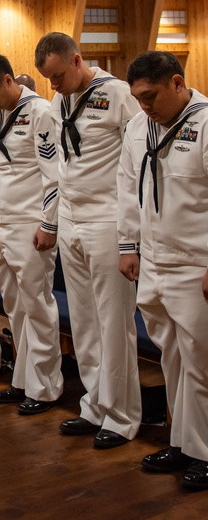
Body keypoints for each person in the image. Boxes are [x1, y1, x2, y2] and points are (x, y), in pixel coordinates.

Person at [35, 32, 141, 450]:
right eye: (48, 79)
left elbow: (138, 162)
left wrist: (132, 234)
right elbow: (62, 164)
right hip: (72, 217)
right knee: (83, 320)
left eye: (59, 75)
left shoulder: (117, 94)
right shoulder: (61, 100)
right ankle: (95, 404)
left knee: (113, 322)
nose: (54, 85)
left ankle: (122, 415)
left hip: (108, 220)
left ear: (78, 60)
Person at [118, 50, 208, 492]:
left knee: (203, 363)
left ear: (177, 83)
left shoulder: (207, 122)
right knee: (172, 360)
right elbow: (127, 187)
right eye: (137, 98)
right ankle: (183, 440)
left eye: (150, 95)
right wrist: (129, 245)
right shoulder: (139, 126)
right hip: (154, 259)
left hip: (196, 264)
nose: (144, 105)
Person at [0, 49, 62, 416]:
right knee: (14, 307)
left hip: (31, 224)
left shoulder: (42, 113)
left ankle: (46, 386)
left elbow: (53, 174)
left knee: (37, 305)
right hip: (3, 224)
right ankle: (23, 378)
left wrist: (48, 223)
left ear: (8, 80)